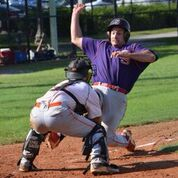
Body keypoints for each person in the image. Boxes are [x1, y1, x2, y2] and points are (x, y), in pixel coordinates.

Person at [71, 4, 158, 151]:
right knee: (75, 105)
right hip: (96, 91)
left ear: (125, 35)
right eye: (112, 32)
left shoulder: (132, 48)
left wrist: (129, 55)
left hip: (116, 97)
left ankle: (125, 140)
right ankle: (58, 132)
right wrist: (75, 14)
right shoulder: (99, 46)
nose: (114, 35)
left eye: (119, 32)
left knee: (105, 137)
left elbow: (151, 56)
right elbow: (76, 38)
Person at [17, 58, 120, 175]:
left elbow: (52, 113)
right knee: (98, 130)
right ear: (86, 75)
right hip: (58, 113)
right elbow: (95, 120)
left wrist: (59, 132)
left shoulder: (60, 84)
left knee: (37, 130)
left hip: (36, 112)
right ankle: (99, 162)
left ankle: (25, 161)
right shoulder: (87, 88)